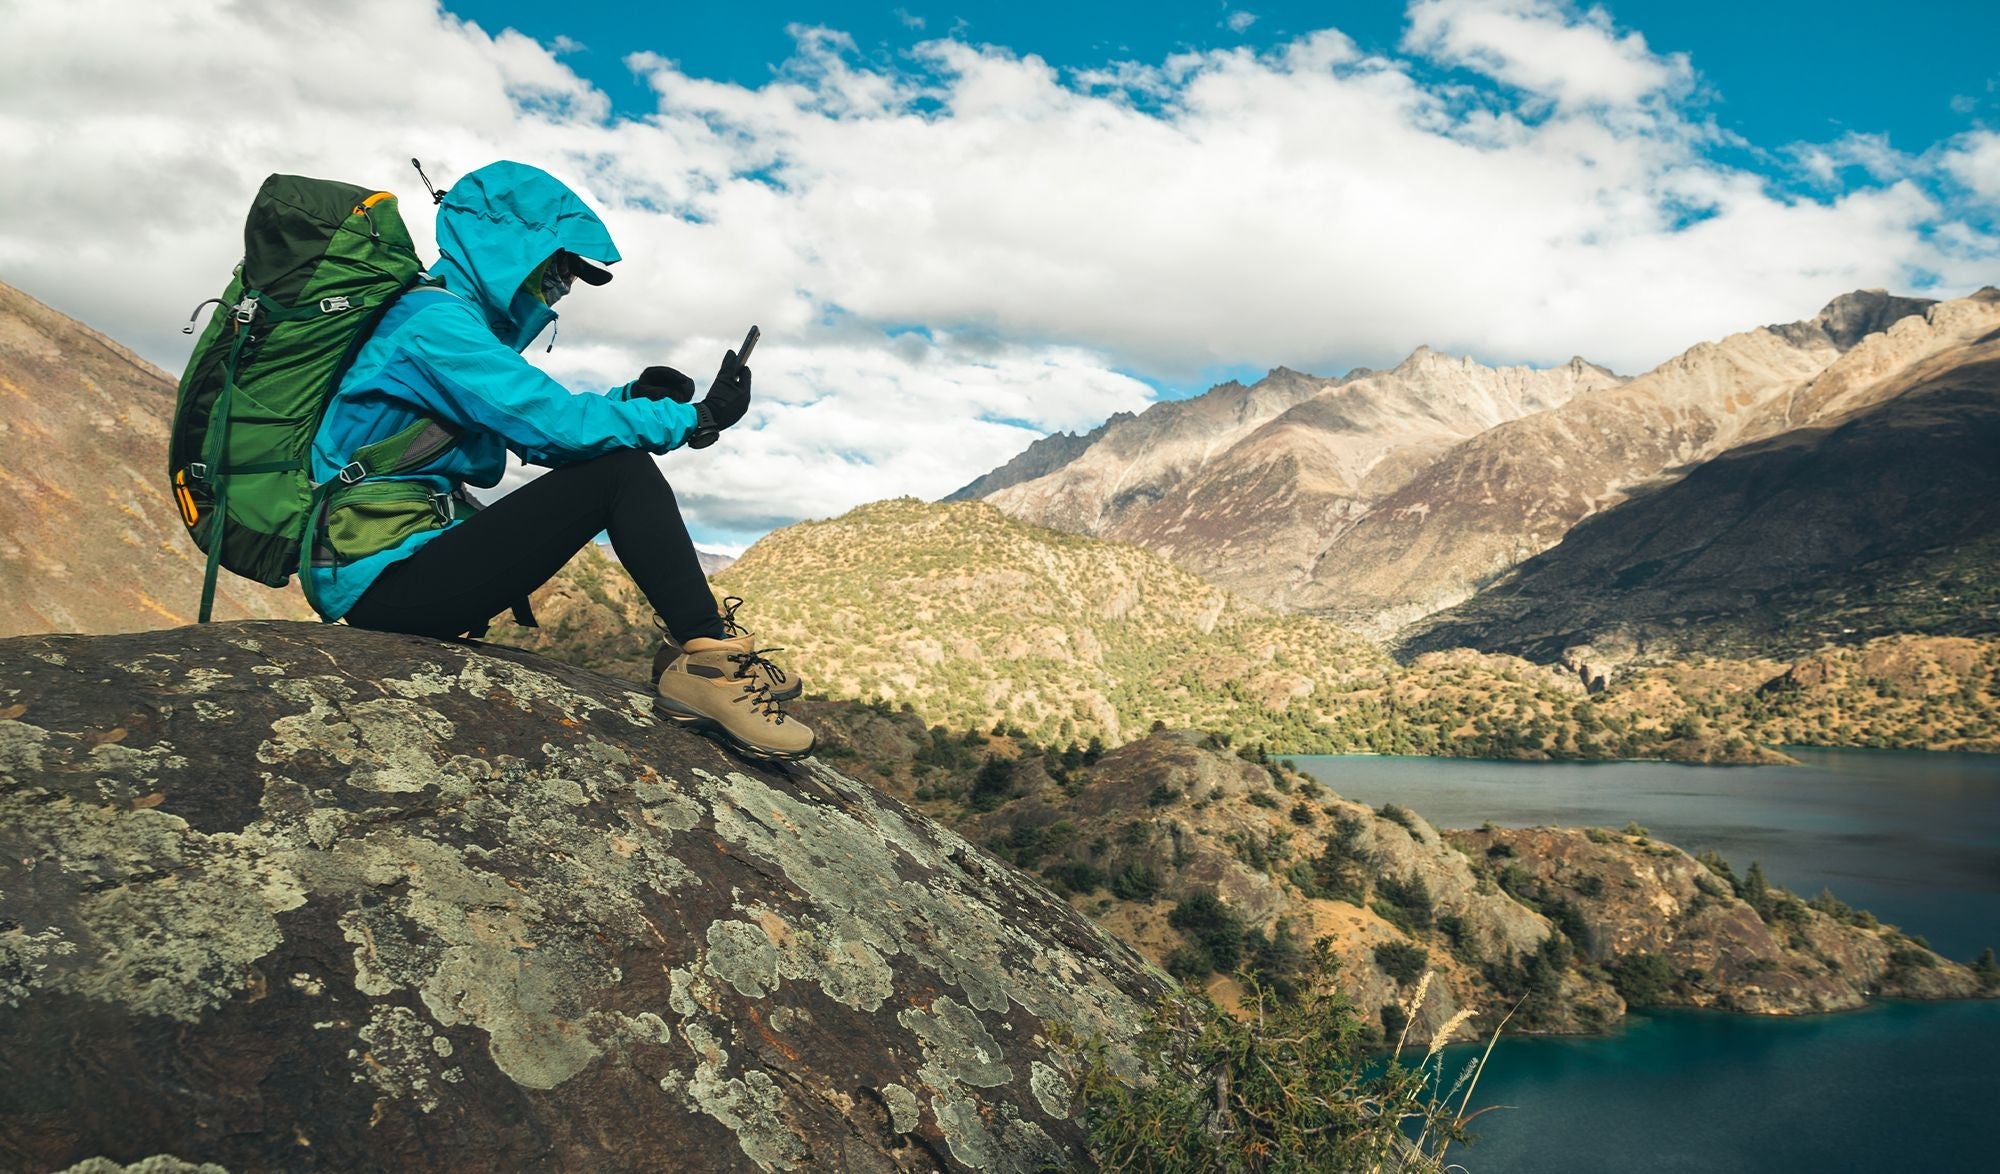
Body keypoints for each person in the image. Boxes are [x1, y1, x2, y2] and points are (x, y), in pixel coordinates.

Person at [306, 159, 812, 760]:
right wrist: (695, 418)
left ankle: (706, 650)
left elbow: (539, 429)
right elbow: (559, 429)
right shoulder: (433, 326)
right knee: (618, 473)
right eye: (560, 266)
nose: (564, 285)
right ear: (510, 248)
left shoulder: (447, 322)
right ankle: (708, 664)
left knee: (612, 465)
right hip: (383, 581)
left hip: (403, 561)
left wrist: (631, 402)